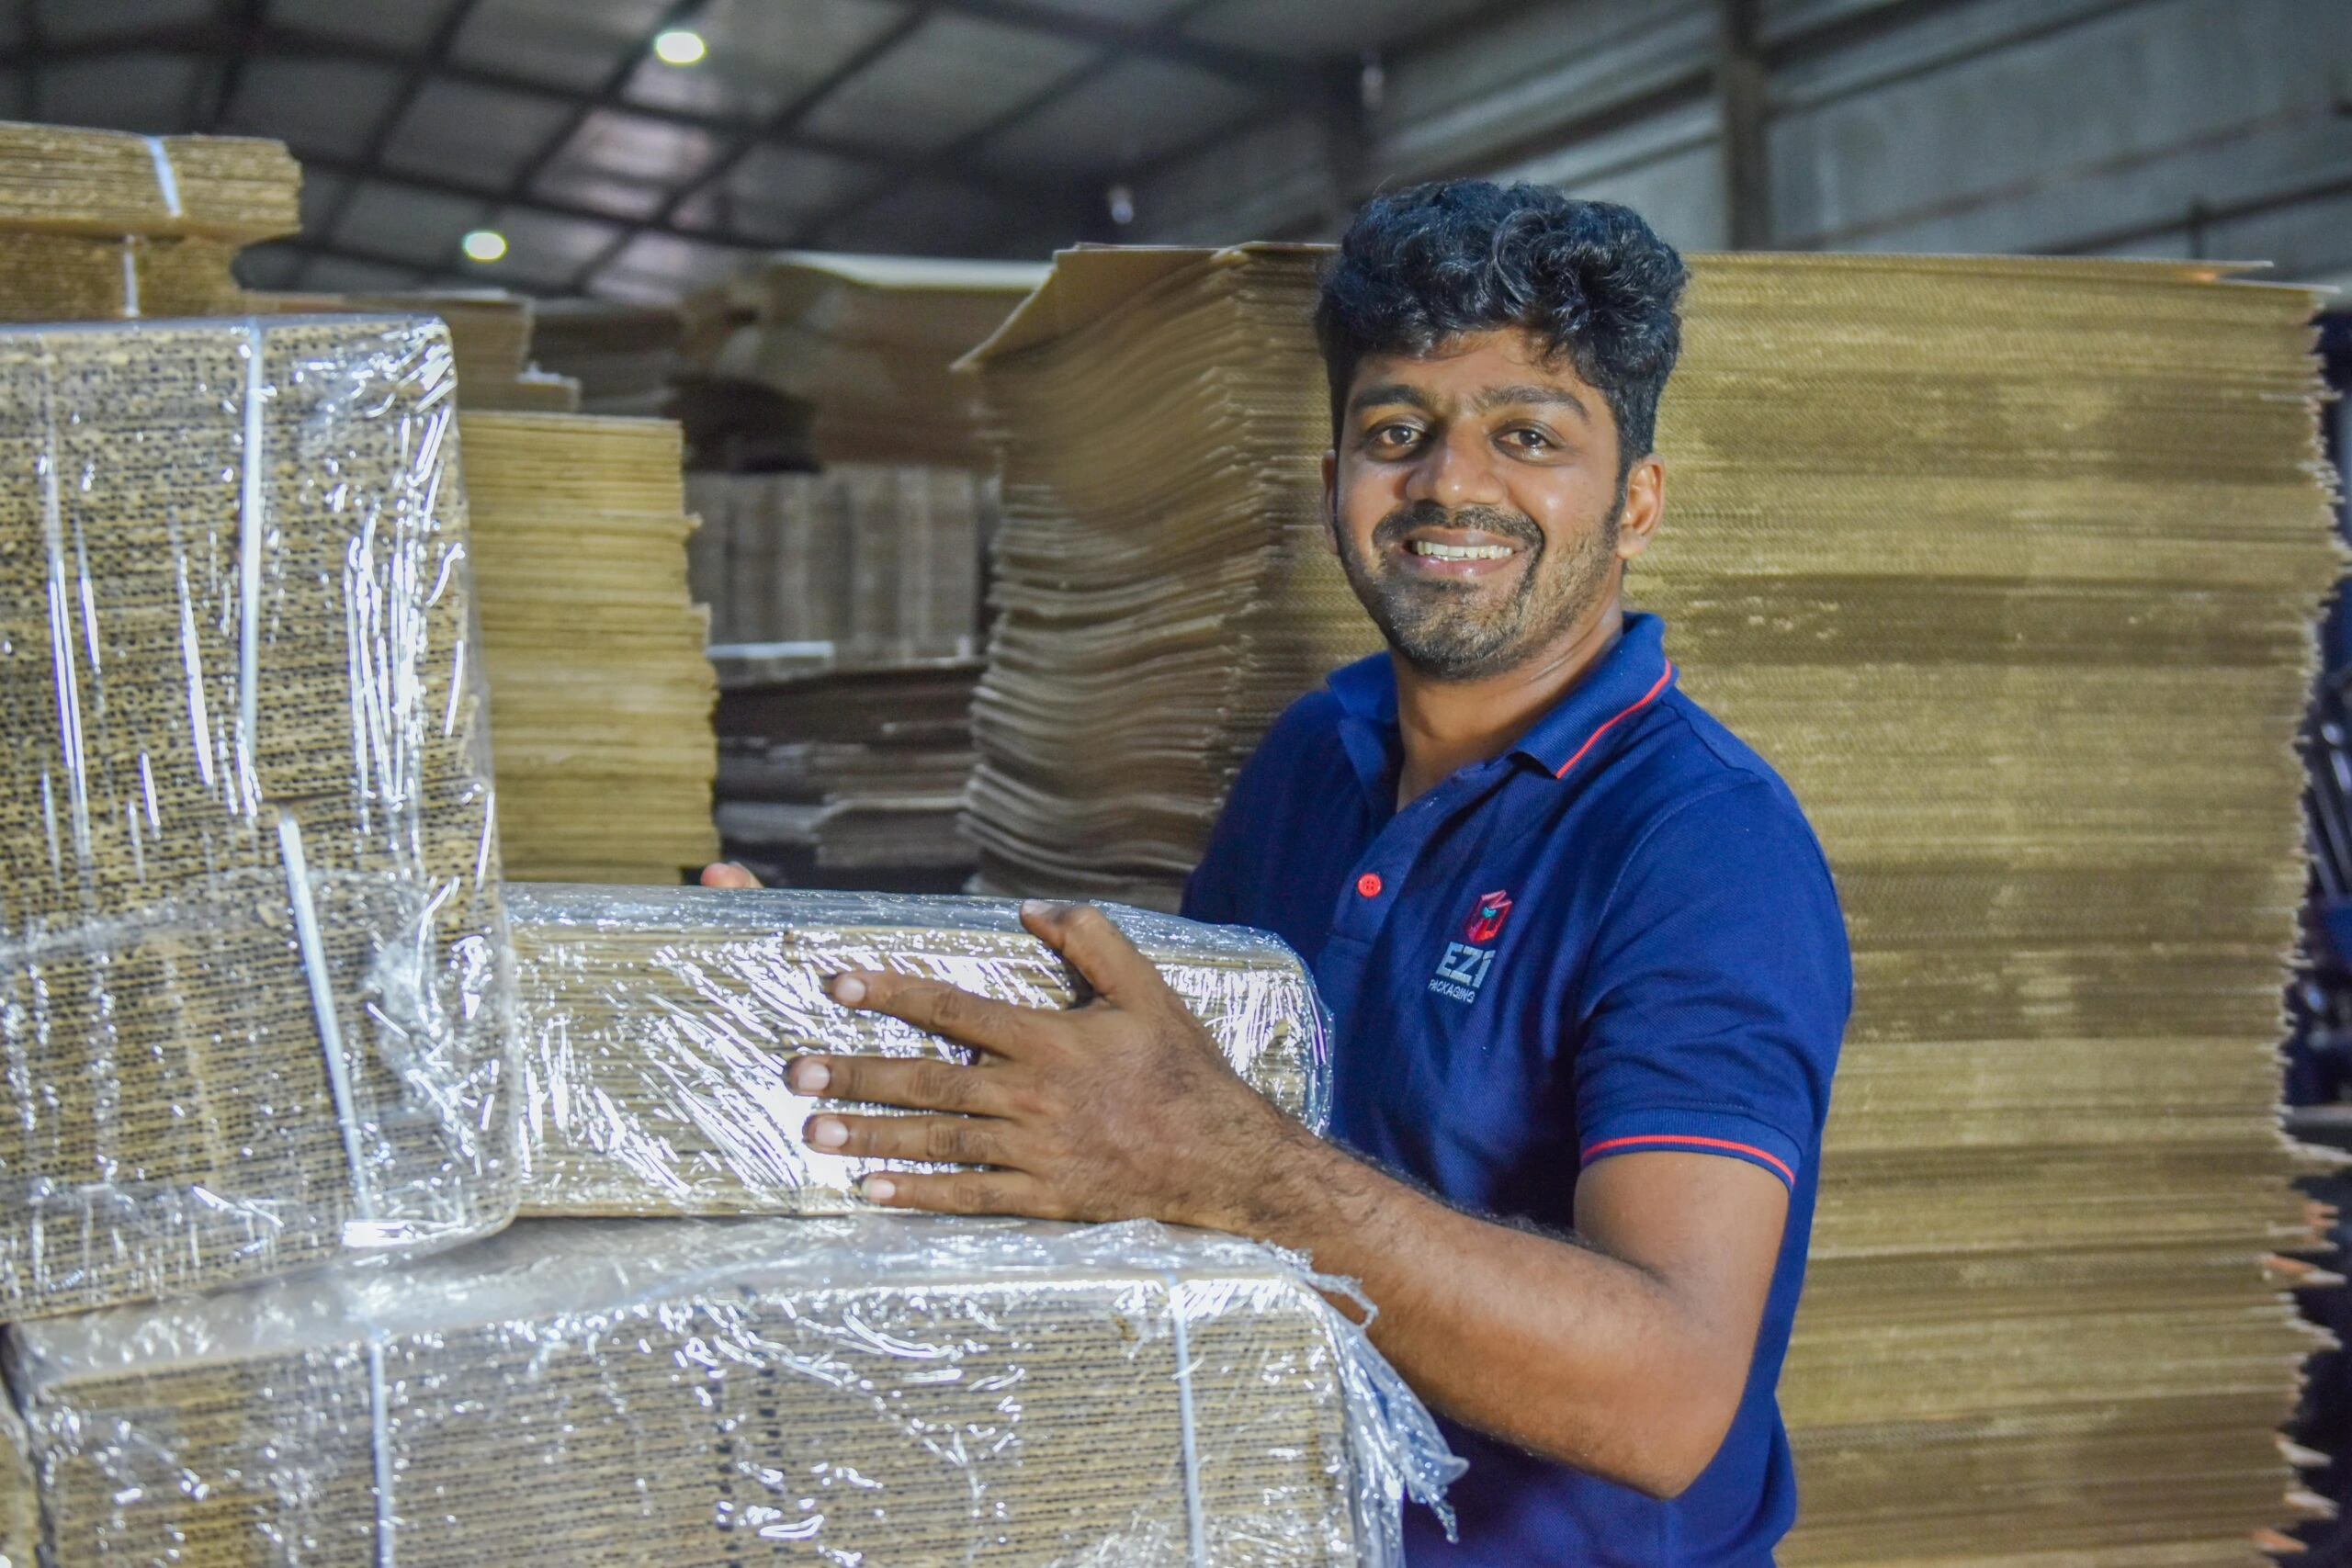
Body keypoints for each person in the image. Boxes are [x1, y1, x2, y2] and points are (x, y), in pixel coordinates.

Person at [702, 180, 1850, 1566]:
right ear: (1333, 487)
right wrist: (833, 993)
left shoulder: (1700, 845)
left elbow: (1667, 1395)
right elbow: (1153, 1077)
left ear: (1637, 502)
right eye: (1395, 432)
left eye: (1528, 434)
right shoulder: (1319, 754)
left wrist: (1226, 1164)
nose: (1451, 482)